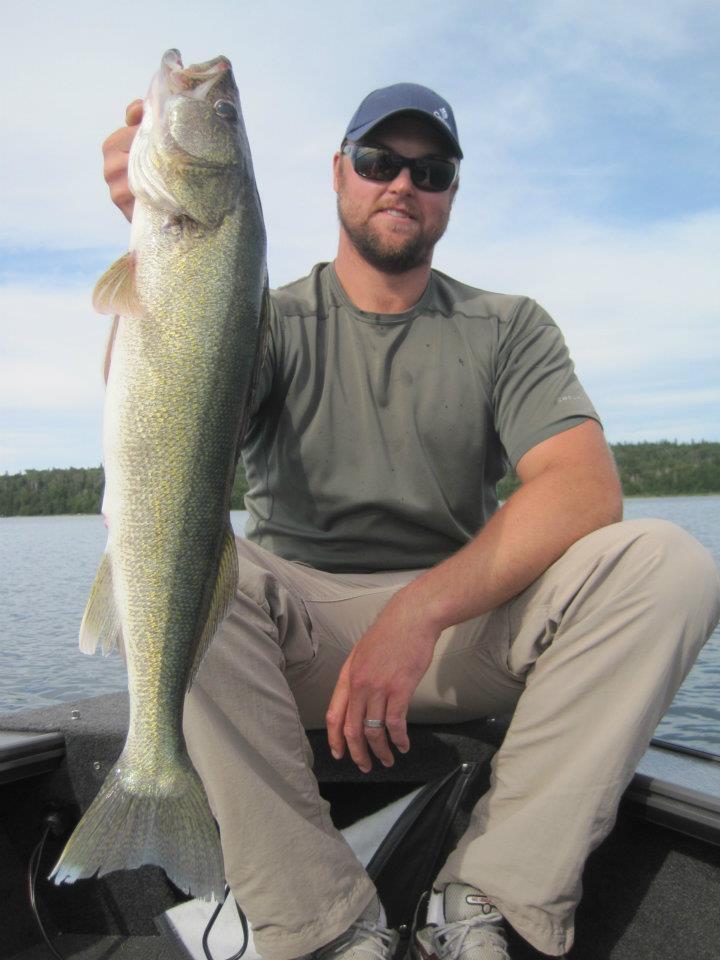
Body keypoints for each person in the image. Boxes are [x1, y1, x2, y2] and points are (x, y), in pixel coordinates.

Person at [102, 83, 720, 960]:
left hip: (458, 631)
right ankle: (320, 924)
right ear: (338, 175)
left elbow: (583, 490)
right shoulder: (264, 318)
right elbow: (158, 425)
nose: (402, 184)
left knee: (671, 564)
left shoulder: (508, 326)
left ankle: (489, 897)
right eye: (378, 161)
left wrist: (417, 612)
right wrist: (148, 240)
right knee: (162, 568)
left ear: (451, 196)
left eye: (429, 170)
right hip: (296, 643)